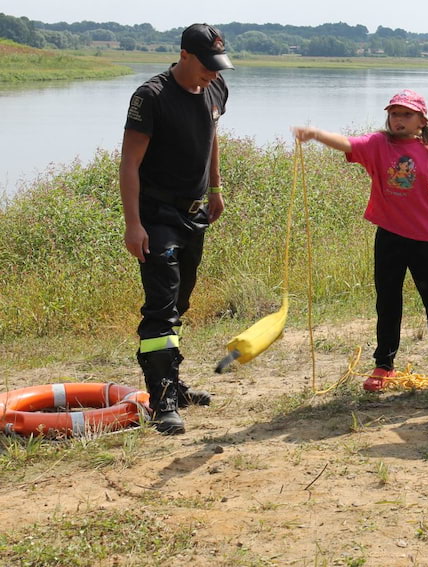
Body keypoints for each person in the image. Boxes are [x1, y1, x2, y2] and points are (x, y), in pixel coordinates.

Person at [292, 90, 428, 392]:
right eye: (394, 114)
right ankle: (384, 364)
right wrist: (317, 134)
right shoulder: (378, 144)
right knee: (388, 302)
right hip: (388, 235)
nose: (398, 120)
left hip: (424, 239)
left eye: (406, 114)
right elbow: (348, 144)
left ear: (421, 121)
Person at [119, 23, 233, 435]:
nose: (213, 74)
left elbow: (212, 136)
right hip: (157, 216)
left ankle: (175, 384)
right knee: (161, 310)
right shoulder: (151, 97)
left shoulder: (216, 89)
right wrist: (134, 225)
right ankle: (162, 401)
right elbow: (129, 163)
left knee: (181, 301)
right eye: (206, 66)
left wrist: (216, 188)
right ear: (184, 55)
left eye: (218, 66)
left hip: (195, 213)